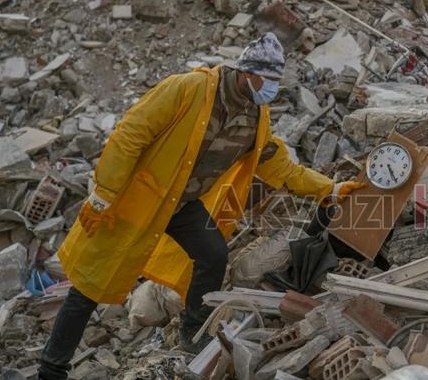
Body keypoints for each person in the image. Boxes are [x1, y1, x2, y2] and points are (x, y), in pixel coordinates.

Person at [38, 32, 364, 380]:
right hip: (139, 200)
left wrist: (329, 188)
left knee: (212, 255)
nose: (271, 88)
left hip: (182, 204)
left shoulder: (256, 116)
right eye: (267, 80)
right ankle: (52, 369)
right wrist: (104, 193)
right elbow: (130, 134)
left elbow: (280, 166)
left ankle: (193, 336)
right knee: (90, 286)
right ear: (247, 72)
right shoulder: (188, 89)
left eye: (275, 81)